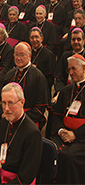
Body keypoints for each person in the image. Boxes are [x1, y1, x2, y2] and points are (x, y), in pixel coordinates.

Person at [0, 83, 42, 185]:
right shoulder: (5, 123)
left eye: (11, 103)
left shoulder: (32, 133)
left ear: (22, 102)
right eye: (3, 103)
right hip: (1, 178)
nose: (6, 108)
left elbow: (26, 177)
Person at [51, 54, 85, 184]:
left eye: (74, 68)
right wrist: (60, 131)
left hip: (82, 138)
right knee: (47, 148)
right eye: (68, 70)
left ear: (84, 68)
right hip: (63, 134)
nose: (70, 73)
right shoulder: (66, 91)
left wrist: (75, 135)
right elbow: (57, 116)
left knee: (68, 157)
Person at [0, 42, 49, 129]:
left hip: (29, 121)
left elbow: (40, 108)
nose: (18, 58)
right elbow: (0, 99)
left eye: (22, 55)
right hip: (8, 118)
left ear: (30, 56)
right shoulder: (9, 74)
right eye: (16, 55)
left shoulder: (38, 76)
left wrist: (19, 117)